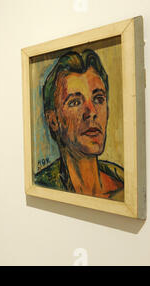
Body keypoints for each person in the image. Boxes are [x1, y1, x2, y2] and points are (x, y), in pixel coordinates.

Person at [34, 49, 124, 201]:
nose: (92, 112)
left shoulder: (122, 184)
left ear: (107, 111)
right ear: (53, 120)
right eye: (75, 102)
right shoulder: (43, 185)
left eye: (98, 99)